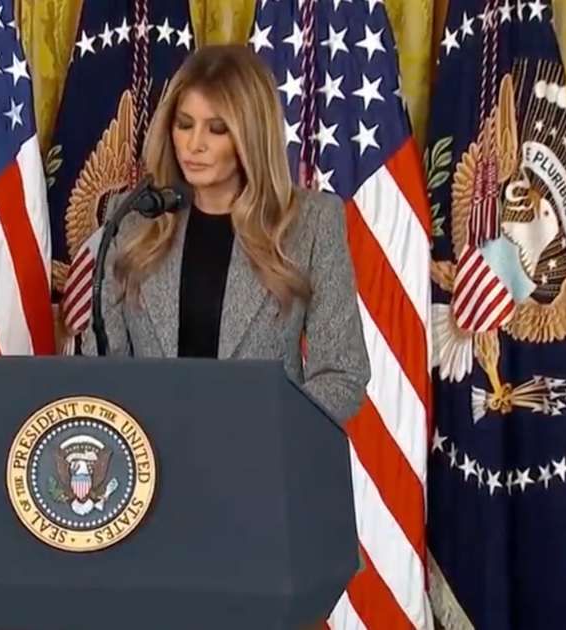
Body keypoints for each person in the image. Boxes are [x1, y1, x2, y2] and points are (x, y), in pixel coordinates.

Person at [82, 44, 370, 426]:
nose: (194, 144)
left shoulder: (312, 223)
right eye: (184, 124)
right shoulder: (135, 217)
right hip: (150, 459)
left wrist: (254, 428)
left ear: (251, 135)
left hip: (260, 462)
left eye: (217, 129)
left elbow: (342, 375)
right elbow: (102, 363)